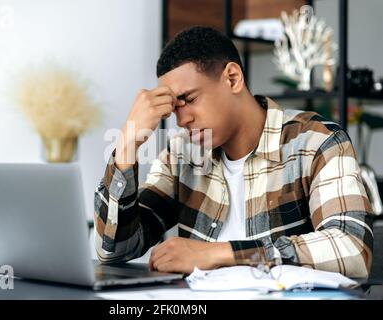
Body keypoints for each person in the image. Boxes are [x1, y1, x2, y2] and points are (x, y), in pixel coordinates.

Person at [94, 26, 373, 277]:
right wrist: (127, 147)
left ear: (232, 78)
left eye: (189, 99)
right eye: (175, 108)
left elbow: (351, 248)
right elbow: (113, 251)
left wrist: (217, 254)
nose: (181, 120)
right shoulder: (182, 154)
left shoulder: (316, 142)